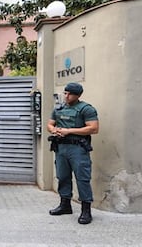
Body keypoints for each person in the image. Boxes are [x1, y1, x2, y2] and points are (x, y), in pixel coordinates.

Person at [47, 82, 99, 224]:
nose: (67, 96)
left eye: (70, 94)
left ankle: (86, 210)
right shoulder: (59, 108)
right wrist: (53, 130)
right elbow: (50, 124)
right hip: (61, 148)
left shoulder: (86, 109)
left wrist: (69, 131)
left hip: (78, 149)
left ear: (78, 95)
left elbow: (93, 128)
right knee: (62, 176)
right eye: (65, 93)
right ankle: (65, 205)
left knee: (82, 178)